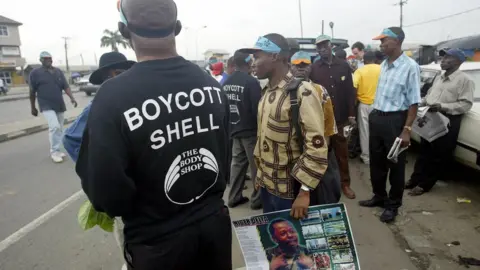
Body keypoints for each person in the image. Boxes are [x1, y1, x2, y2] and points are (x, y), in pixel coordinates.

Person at [76, 0, 232, 268]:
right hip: (214, 230)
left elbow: (106, 193)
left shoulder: (112, 97)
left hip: (157, 243)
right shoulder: (211, 85)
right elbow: (225, 159)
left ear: (124, 31)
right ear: (178, 28)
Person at [240, 33, 328, 218]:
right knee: (275, 241)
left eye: (257, 56)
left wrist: (304, 192)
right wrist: (260, 176)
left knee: (293, 243)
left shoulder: (302, 92)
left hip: (291, 193)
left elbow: (317, 146)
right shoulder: (266, 93)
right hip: (267, 187)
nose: (252, 62)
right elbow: (262, 138)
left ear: (275, 56)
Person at [63, 51, 135, 270]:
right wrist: (97, 172)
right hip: (126, 187)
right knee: (129, 235)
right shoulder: (100, 104)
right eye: (121, 73)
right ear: (112, 75)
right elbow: (71, 139)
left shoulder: (136, 95)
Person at [358, 27, 421, 223]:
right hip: (377, 117)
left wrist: (407, 130)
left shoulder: (410, 66)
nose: (381, 44)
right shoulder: (384, 64)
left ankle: (393, 205)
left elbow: (413, 102)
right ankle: (379, 196)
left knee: (395, 165)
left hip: (395, 121)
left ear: (397, 41)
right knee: (376, 162)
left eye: (384, 40)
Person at [406, 48, 474, 196]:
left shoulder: (465, 80)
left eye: (447, 58)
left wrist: (443, 107)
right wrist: (421, 102)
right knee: (424, 151)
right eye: (442, 58)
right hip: (431, 118)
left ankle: (425, 185)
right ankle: (415, 179)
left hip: (447, 120)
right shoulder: (440, 77)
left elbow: (466, 105)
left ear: (458, 61)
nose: (442, 60)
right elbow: (430, 96)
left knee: (438, 156)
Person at [290, 51, 341, 205]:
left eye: (304, 65)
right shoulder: (283, 91)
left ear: (310, 67)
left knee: (321, 199)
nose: (300, 68)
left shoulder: (320, 90)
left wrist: (320, 157)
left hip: (315, 151)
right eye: (297, 65)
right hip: (291, 157)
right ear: (290, 67)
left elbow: (328, 127)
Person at [310, 35, 357, 199]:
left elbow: (350, 91)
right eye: (319, 47)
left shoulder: (343, 66)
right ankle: (323, 184)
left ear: (331, 47)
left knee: (342, 153)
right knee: (321, 153)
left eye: (325, 46)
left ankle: (345, 184)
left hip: (341, 119)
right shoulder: (314, 68)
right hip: (321, 121)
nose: (322, 49)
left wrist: (352, 113)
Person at [224, 50, 262, 210]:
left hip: (234, 130)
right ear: (247, 64)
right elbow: (257, 110)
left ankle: (233, 197)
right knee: (256, 167)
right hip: (250, 131)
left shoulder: (226, 82)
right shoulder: (251, 82)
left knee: (237, 165)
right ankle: (257, 200)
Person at [29, 51, 78, 163]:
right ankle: (54, 152)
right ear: (41, 60)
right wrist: (33, 107)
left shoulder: (58, 72)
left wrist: (72, 98)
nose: (48, 60)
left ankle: (58, 149)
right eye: (45, 59)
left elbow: (66, 86)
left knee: (60, 128)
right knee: (54, 127)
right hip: (46, 104)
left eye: (49, 58)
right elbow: (32, 91)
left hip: (59, 104)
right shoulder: (35, 73)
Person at [353, 50, 381, 165]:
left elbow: (354, 87)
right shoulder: (382, 69)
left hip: (364, 105)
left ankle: (366, 158)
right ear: (375, 59)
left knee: (365, 132)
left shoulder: (359, 71)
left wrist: (353, 105)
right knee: (378, 132)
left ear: (364, 60)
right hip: (379, 105)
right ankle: (378, 156)